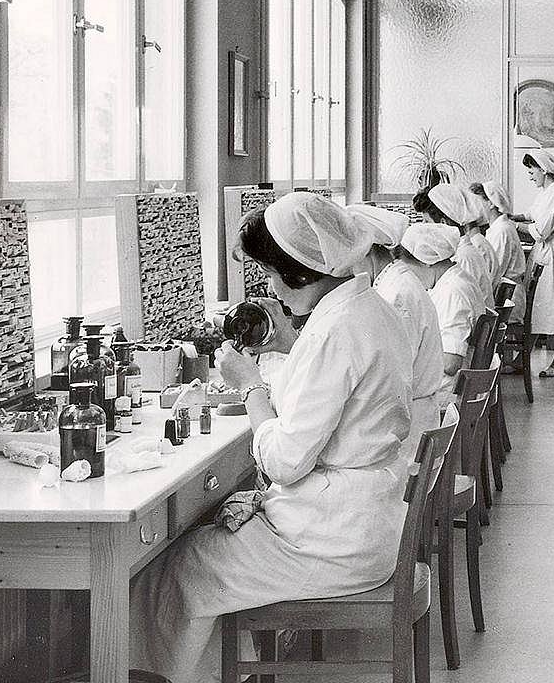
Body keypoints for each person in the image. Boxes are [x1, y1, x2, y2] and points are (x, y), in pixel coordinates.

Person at [129, 193, 415, 683]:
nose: (270, 287)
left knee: (175, 569)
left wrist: (249, 385)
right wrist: (289, 345)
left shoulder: (334, 332)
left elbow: (284, 462)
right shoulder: (369, 310)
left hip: (330, 539)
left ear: (301, 271)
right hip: (360, 519)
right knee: (202, 556)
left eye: (271, 274)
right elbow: (329, 401)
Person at [349, 204, 443, 446]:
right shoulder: (396, 282)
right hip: (411, 417)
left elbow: (392, 378)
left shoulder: (396, 295)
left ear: (366, 252)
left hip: (409, 432)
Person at [399, 222, 482, 409]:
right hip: (448, 385)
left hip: (444, 394)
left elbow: (451, 363)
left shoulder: (453, 292)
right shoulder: (456, 279)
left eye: (410, 270)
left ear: (426, 261)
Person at [518, 150, 554, 377]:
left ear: (543, 170)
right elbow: (531, 215)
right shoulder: (545, 192)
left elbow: (540, 231)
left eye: (532, 172)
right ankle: (523, 359)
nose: (530, 176)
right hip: (543, 253)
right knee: (535, 306)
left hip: (553, 253)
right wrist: (513, 216)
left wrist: (512, 226)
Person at [416, 182, 500, 299]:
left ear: (443, 223)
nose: (425, 227)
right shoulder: (462, 251)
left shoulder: (464, 257)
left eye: (427, 222)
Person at [471, 179, 530, 314]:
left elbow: (494, 272)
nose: (474, 208)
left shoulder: (502, 230)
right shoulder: (498, 227)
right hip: (504, 295)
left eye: (477, 202)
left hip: (508, 301)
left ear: (491, 203)